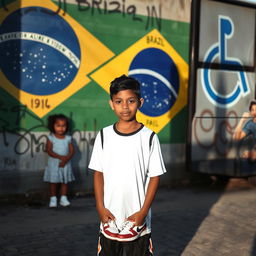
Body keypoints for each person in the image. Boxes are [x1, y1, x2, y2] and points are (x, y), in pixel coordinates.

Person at [89, 75, 166, 255]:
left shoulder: (149, 137)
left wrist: (143, 212)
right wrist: (100, 206)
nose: (125, 106)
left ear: (140, 102)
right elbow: (98, 173)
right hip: (109, 217)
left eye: (130, 101)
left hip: (137, 220)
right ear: (111, 104)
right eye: (119, 101)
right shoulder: (103, 136)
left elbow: (155, 177)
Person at [44, 114, 75, 207]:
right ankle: (53, 198)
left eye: (63, 126)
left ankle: (63, 198)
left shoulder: (68, 138)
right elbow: (49, 150)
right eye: (58, 126)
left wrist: (66, 159)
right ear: (52, 126)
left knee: (64, 182)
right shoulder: (51, 137)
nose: (61, 128)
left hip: (65, 164)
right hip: (54, 164)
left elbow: (72, 151)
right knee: (53, 182)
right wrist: (61, 158)